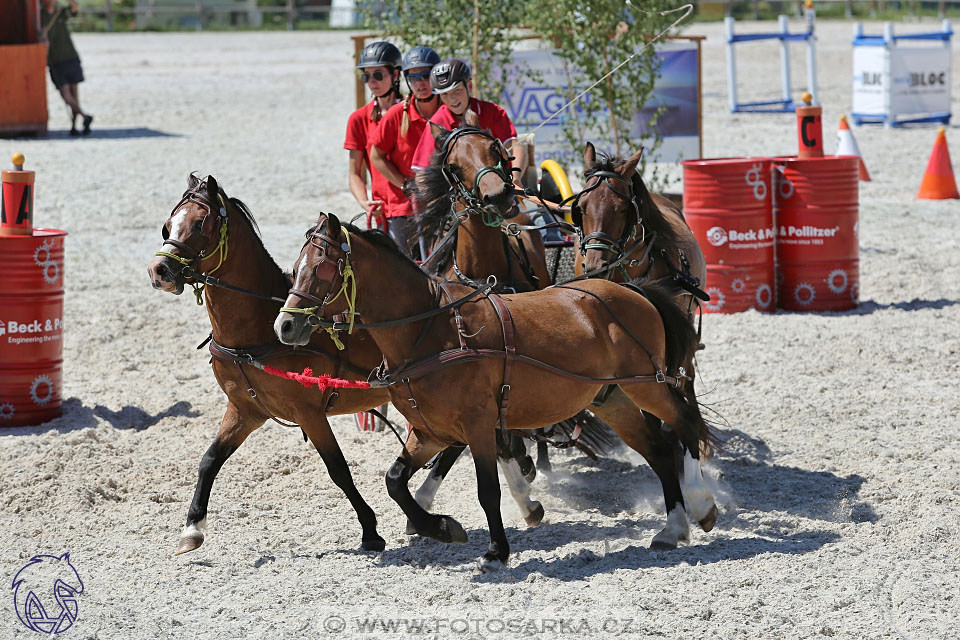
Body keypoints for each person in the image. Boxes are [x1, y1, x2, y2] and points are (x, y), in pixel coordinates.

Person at [410, 59, 527, 192]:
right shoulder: (437, 123)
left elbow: (515, 147)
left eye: (457, 91)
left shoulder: (493, 112)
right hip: (463, 200)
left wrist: (516, 179)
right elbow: (420, 173)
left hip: (502, 187)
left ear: (469, 86)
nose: (452, 99)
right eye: (445, 94)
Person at [369, 46, 442, 257]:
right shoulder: (396, 115)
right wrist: (404, 184)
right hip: (405, 207)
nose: (420, 82)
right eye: (414, 76)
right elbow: (376, 156)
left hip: (444, 204)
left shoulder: (448, 113)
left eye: (426, 75)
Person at [343, 41, 403, 228]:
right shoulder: (358, 119)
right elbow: (354, 173)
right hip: (385, 212)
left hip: (420, 206)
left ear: (395, 74)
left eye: (377, 75)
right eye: (366, 76)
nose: (372, 82)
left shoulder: (414, 113)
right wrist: (363, 201)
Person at [40, 0, 93, 136]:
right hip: (55, 61)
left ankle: (74, 126)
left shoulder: (61, 13)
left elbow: (75, 6)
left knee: (74, 95)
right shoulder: (40, 16)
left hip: (70, 57)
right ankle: (85, 116)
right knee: (66, 95)